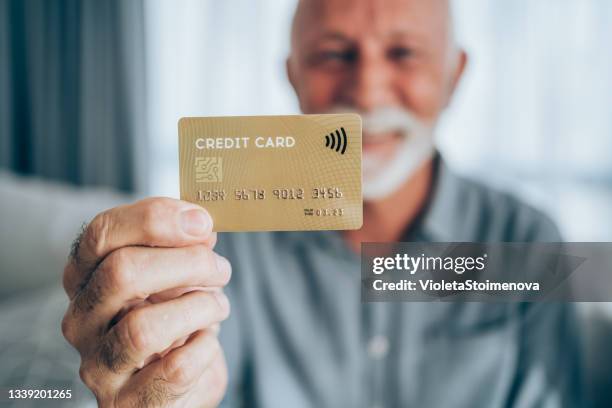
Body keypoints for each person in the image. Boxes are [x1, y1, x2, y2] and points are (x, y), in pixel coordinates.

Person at [61, 0, 581, 406]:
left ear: (454, 75)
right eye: (334, 55)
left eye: (404, 53)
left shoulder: (529, 237)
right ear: (293, 76)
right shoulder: (224, 244)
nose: (368, 92)